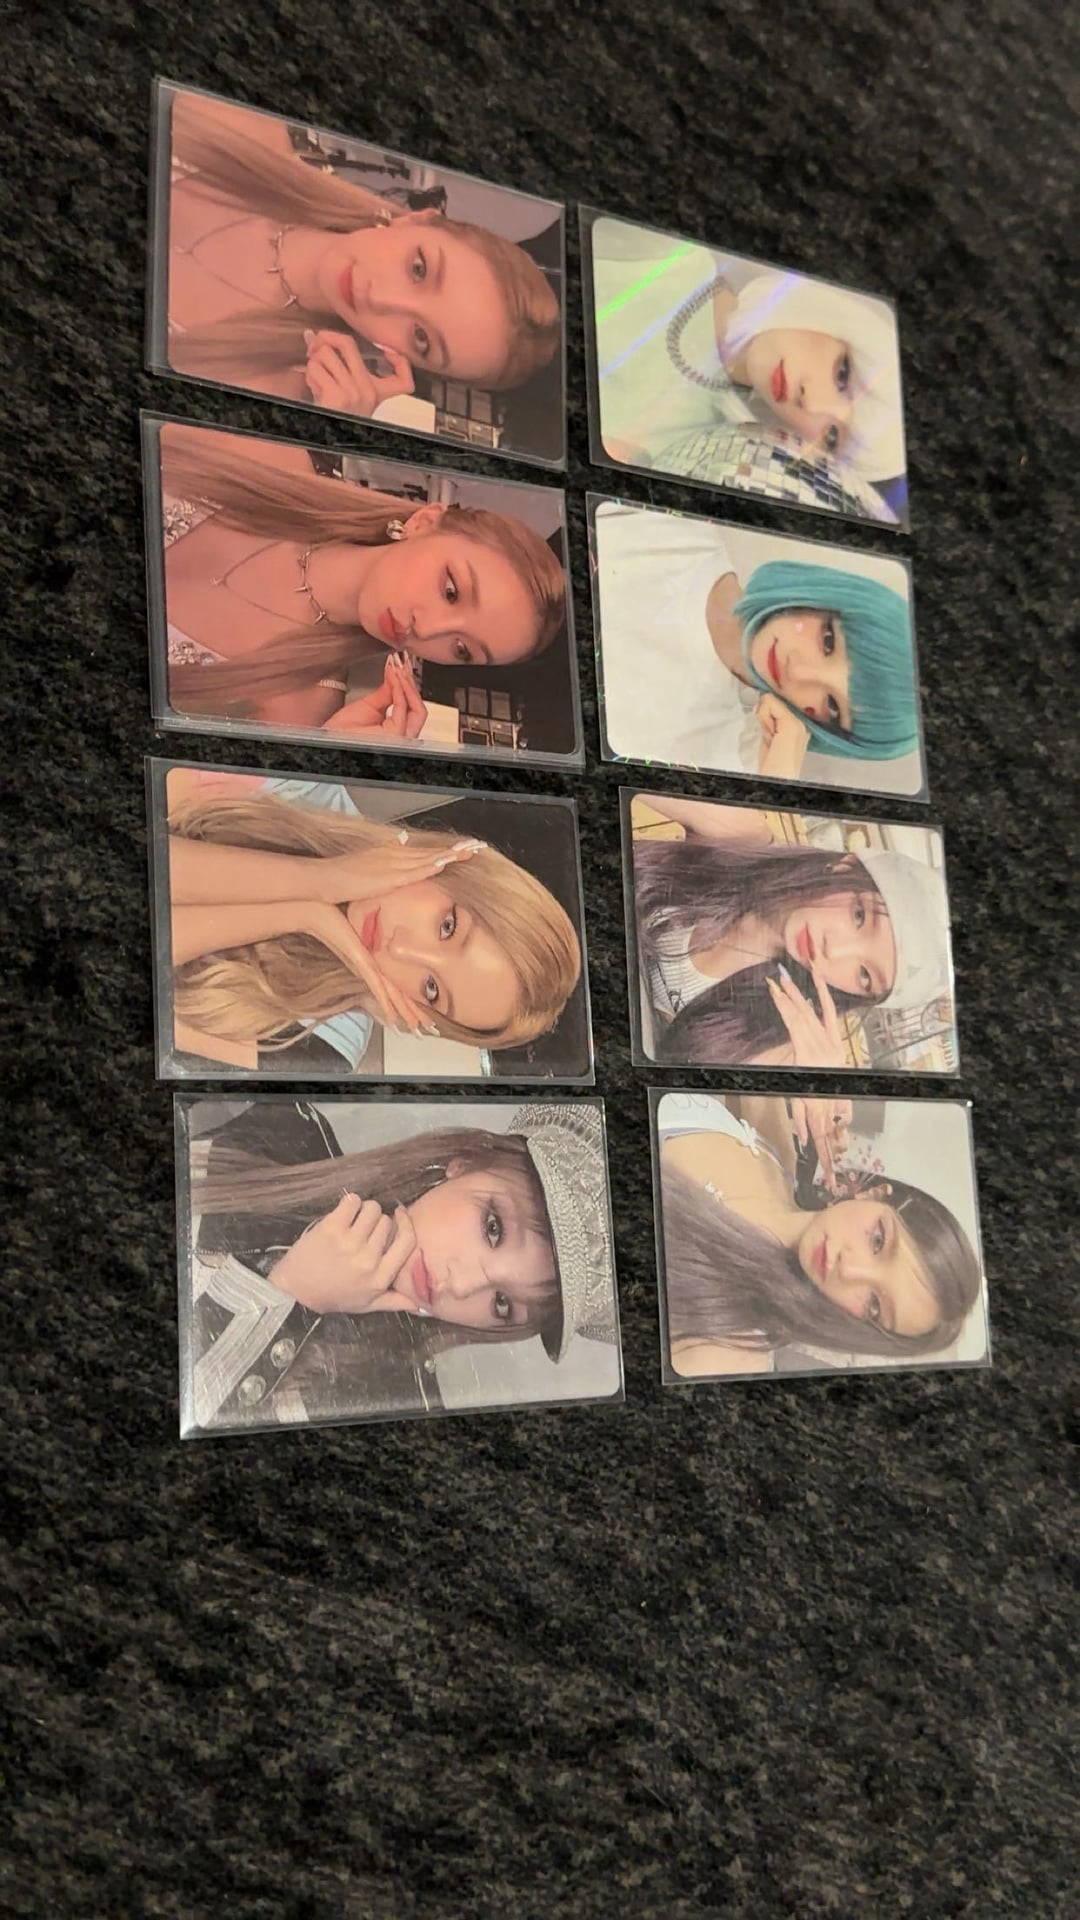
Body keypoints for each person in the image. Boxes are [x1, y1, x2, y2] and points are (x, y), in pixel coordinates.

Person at [183, 1097, 617, 1432]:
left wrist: (297, 1294)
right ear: (465, 1164)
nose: (463, 1285)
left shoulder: (400, 1410)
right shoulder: (289, 1131)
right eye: (492, 1229)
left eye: (502, 1303)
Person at [164, 90, 560, 426]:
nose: (381, 298)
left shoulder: (265, 390)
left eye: (420, 337)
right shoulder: (247, 129)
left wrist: (331, 427)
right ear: (417, 220)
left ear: (405, 363)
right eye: (418, 269)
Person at [158, 422, 567, 736]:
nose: (428, 630)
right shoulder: (273, 458)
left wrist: (324, 762)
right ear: (425, 522)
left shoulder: (302, 704)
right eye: (450, 591)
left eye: (462, 649)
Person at [164, 772, 582, 1074]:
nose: (399, 950)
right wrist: (321, 881)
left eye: (431, 989)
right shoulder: (307, 786)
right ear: (455, 867)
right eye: (447, 927)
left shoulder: (327, 1044)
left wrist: (305, 914)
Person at [631, 795, 953, 1101]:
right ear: (846, 866)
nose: (834, 952)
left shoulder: (774, 1031)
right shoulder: (742, 838)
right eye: (859, 916)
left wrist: (797, 1083)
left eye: (865, 975)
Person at [593, 499, 920, 787]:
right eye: (828, 641)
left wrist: (773, 790)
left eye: (832, 706)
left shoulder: (736, 762)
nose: (799, 672)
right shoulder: (675, 529)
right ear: (827, 598)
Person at [657, 1095, 982, 1379]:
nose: (849, 1270)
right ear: (873, 1195)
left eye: (873, 1305)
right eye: (878, 1241)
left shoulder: (727, 1350)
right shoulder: (779, 1161)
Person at [591, 216, 905, 503]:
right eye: (842, 375)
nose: (811, 404)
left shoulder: (695, 451)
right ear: (841, 317)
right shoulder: (668, 253)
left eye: (832, 436)